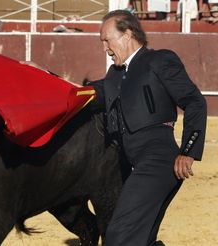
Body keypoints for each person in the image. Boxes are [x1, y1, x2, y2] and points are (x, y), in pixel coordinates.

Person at [89, 10, 207, 246]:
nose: (105, 48)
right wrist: (45, 77)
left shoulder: (159, 60)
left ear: (127, 34)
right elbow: (86, 94)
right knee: (140, 239)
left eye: (107, 40)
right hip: (133, 162)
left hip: (159, 160)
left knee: (118, 235)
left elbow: (195, 102)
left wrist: (188, 151)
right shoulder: (114, 75)